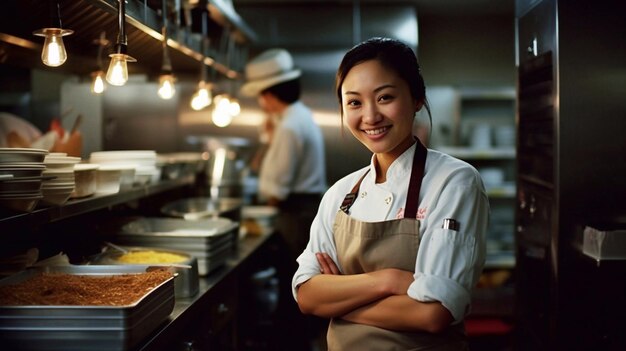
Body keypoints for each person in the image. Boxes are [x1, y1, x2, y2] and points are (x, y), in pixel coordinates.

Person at [291, 37, 489, 350]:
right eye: (354, 102)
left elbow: (433, 314)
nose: (370, 117)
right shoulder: (340, 195)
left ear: (417, 98)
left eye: (384, 97)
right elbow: (307, 296)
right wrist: (389, 281)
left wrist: (339, 299)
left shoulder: (454, 181)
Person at [241, 48, 327, 261]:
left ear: (269, 94)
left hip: (295, 212)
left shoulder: (289, 125)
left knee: (291, 271)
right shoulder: (299, 115)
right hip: (305, 209)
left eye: (261, 96)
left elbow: (279, 185)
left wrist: (263, 212)